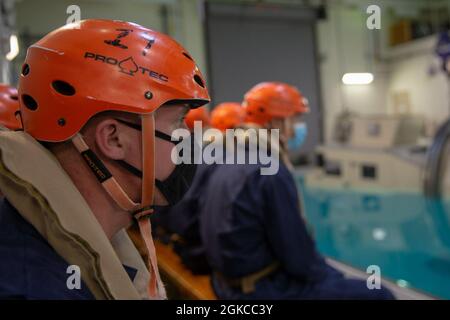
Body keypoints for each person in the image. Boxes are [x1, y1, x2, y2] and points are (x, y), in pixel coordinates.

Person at [0, 19, 209, 299]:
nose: (186, 137)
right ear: (113, 139)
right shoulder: (37, 283)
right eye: (177, 123)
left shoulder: (76, 241)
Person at [199, 82, 395, 300]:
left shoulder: (230, 158)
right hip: (257, 291)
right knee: (378, 293)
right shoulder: (270, 171)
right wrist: (335, 277)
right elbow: (298, 259)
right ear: (277, 121)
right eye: (295, 120)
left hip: (225, 282)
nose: (296, 129)